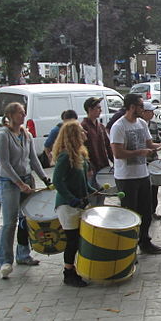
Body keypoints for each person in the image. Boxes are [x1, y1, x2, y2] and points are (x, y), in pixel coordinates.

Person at [0, 102, 51, 278]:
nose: (23, 115)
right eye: (20, 113)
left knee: (25, 220)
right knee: (10, 221)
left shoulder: (26, 134)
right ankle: (4, 260)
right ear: (10, 116)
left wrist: (45, 178)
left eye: (24, 112)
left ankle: (23, 254)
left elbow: (34, 159)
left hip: (28, 179)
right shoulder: (3, 135)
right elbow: (4, 162)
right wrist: (19, 183)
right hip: (10, 182)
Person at [109, 93, 161, 255]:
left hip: (142, 174)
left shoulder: (141, 123)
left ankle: (145, 242)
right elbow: (118, 153)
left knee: (146, 213)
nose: (144, 108)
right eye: (141, 106)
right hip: (126, 177)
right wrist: (140, 152)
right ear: (132, 107)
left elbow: (150, 144)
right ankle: (128, 249)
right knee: (129, 213)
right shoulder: (119, 126)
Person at [51, 121, 96, 287]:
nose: (84, 132)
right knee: (72, 241)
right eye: (81, 131)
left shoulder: (80, 154)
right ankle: (68, 273)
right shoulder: (65, 156)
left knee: (79, 239)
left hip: (79, 204)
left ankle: (76, 269)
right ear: (73, 136)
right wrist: (71, 199)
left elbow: (82, 180)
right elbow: (57, 181)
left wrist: (91, 190)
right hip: (67, 206)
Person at [81, 97, 112, 206]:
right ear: (90, 109)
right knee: (93, 199)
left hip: (102, 167)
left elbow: (108, 146)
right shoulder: (83, 127)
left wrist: (115, 161)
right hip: (91, 169)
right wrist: (88, 166)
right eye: (98, 108)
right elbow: (81, 151)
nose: (100, 110)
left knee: (101, 197)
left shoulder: (101, 126)